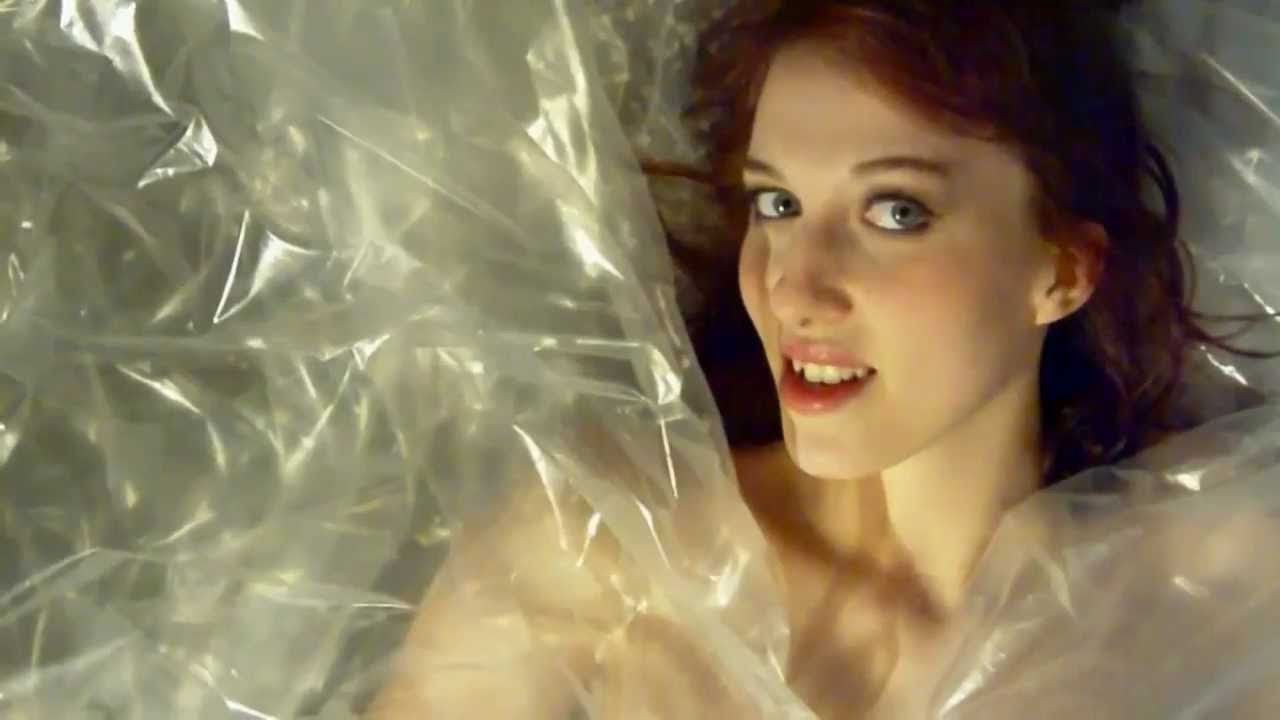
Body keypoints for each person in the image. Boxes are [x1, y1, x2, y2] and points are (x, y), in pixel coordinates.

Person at [369, 1, 1276, 717]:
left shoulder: (1218, 592)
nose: (794, 288)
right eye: (777, 204)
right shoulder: (603, 553)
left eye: (896, 212)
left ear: (1062, 271)